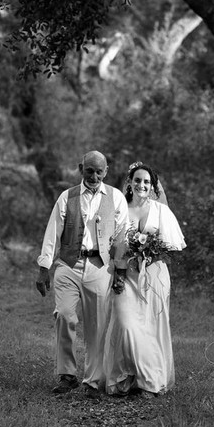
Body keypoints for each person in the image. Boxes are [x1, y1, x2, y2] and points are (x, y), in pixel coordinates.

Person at [36, 150, 129, 395]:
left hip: (100, 266)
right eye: (89, 171)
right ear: (81, 169)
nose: (94, 176)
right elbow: (52, 232)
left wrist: (119, 271)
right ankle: (67, 375)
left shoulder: (116, 198)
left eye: (99, 172)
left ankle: (93, 381)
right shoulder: (67, 197)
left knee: (97, 325)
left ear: (106, 171)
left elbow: (122, 237)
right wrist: (44, 267)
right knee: (64, 315)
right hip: (69, 265)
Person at [103, 161, 186, 398]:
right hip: (126, 275)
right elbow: (111, 245)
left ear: (153, 186)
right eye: (137, 180)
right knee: (126, 323)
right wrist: (120, 269)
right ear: (129, 183)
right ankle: (125, 375)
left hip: (154, 276)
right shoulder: (120, 209)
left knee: (151, 327)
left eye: (147, 182)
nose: (142, 185)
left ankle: (149, 380)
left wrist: (149, 250)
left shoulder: (161, 211)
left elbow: (172, 247)